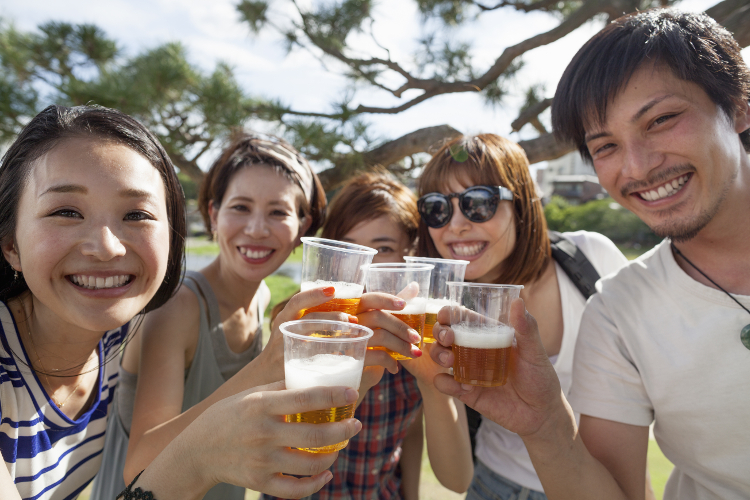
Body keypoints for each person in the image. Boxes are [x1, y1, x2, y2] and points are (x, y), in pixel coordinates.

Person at [428, 8, 750, 500]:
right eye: (605, 146)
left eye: (661, 119)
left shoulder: (591, 265)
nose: (638, 166)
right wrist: (547, 427)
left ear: (739, 104)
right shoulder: (618, 311)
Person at [0, 105, 363, 500]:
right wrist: (198, 454)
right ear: (10, 243)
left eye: (136, 213)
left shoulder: (118, 326)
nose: (106, 247)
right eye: (66, 211)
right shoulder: (163, 310)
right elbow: (141, 461)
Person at [91, 132, 326, 499]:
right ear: (214, 215)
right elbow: (139, 466)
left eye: (278, 212)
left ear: (303, 227)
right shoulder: (176, 308)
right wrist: (267, 364)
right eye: (241, 207)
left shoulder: (263, 298)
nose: (257, 229)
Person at [415, 133, 629, 499]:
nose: (455, 225)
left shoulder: (591, 257)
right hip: (492, 485)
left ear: (522, 204)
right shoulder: (439, 308)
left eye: (477, 203)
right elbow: (455, 481)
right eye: (437, 208)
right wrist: (431, 386)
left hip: (595, 482)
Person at [265, 171, 473, 500]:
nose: (364, 269)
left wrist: (432, 385)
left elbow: (455, 478)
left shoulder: (416, 342)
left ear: (411, 260)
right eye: (351, 251)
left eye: (384, 249)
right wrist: (355, 379)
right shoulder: (297, 328)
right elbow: (293, 463)